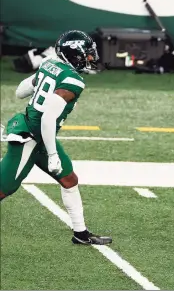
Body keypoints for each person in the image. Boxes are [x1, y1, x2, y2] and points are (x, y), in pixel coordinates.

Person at [0, 30, 112, 246]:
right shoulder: (73, 81)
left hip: (40, 134)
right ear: (75, 54)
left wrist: (41, 88)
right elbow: (48, 119)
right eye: (87, 53)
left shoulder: (50, 63)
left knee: (69, 179)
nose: (90, 58)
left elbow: (21, 91)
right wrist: (52, 154)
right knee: (4, 188)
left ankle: (81, 234)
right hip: (31, 137)